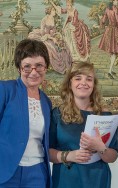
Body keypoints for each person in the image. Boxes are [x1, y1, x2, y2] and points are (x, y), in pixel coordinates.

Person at [49, 62, 118, 188]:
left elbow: (113, 157)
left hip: (97, 181)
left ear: (94, 85)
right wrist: (69, 155)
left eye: (89, 79)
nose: (83, 83)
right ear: (70, 83)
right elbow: (47, 152)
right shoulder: (57, 114)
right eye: (78, 78)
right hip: (65, 181)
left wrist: (101, 148)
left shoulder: (106, 116)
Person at [0, 39, 52, 188]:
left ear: (46, 68)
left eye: (39, 66)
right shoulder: (5, 90)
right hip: (6, 171)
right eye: (27, 66)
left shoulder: (46, 102)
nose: (34, 72)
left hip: (37, 172)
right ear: (19, 69)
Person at [28, 6, 72, 74]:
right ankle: (59, 67)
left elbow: (54, 31)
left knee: (64, 45)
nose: (55, 12)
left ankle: (67, 66)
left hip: (52, 37)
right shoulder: (44, 19)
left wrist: (57, 36)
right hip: (45, 38)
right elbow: (43, 34)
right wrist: (52, 38)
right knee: (52, 48)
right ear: (50, 11)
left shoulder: (53, 19)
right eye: (54, 10)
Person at [98, 0, 118, 79]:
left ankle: (111, 69)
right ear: (113, 1)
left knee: (112, 51)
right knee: (114, 52)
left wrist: (101, 19)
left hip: (108, 30)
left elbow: (103, 20)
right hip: (115, 31)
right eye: (116, 0)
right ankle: (109, 71)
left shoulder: (107, 9)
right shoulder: (115, 9)